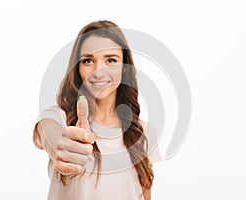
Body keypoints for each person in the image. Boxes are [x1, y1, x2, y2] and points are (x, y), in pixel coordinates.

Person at [33, 20, 161, 200]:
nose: (98, 72)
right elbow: (49, 134)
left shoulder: (144, 132)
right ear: (77, 68)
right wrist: (61, 146)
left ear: (125, 68)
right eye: (88, 60)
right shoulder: (57, 118)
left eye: (111, 60)